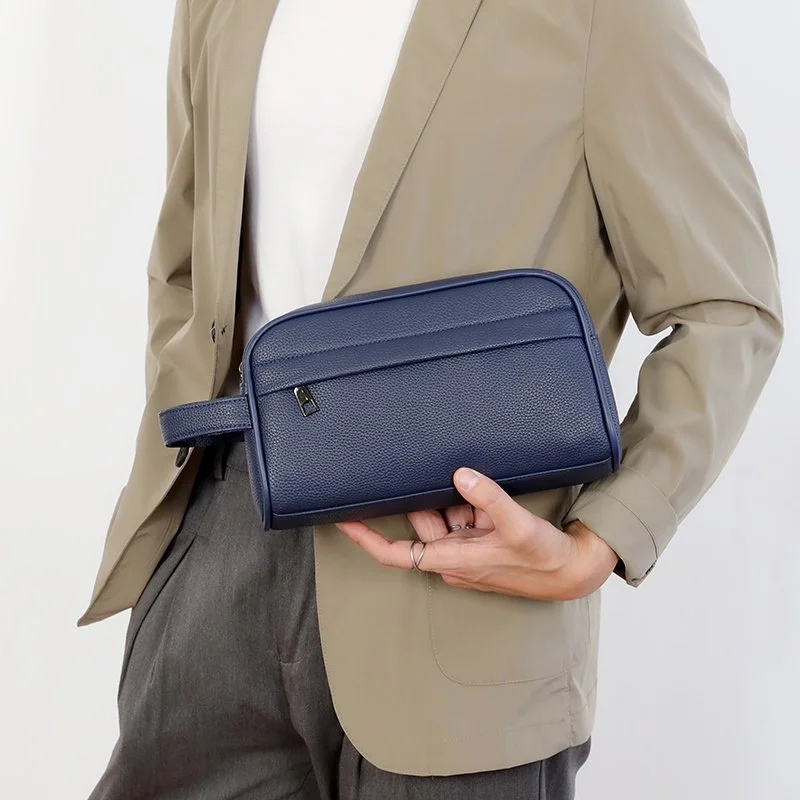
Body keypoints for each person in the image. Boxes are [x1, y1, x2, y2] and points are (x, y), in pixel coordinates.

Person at [82, 0, 783, 798]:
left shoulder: (602, 13)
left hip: (469, 586)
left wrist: (602, 537)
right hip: (224, 552)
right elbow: (182, 268)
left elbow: (728, 307)